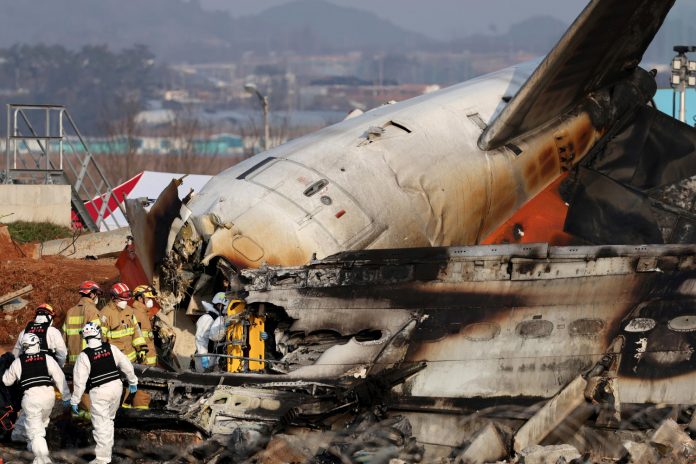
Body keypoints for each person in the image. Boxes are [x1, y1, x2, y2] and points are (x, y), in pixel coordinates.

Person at [71, 322, 138, 464]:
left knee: (101, 425)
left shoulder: (84, 356)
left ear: (85, 338)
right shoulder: (110, 348)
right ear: (98, 334)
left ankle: (102, 459)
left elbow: (79, 382)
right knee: (109, 421)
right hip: (116, 387)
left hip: (100, 391)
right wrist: (133, 382)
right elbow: (126, 365)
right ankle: (108, 452)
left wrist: (75, 401)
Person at [3, 333, 71, 464]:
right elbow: (59, 377)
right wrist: (67, 397)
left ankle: (42, 459)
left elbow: (6, 381)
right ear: (37, 344)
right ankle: (25, 441)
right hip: (48, 398)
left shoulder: (19, 362)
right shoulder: (47, 358)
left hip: (32, 399)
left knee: (36, 432)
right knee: (39, 424)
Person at [99, 283, 148, 364]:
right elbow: (101, 340)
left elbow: (137, 332)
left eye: (126, 300)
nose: (125, 302)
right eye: (122, 300)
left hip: (132, 361)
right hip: (116, 362)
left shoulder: (129, 311)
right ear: (114, 298)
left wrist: (141, 349)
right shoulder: (105, 314)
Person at [63, 281, 102, 366]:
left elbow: (64, 337)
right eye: (96, 294)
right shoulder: (93, 311)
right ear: (92, 294)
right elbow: (99, 336)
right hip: (89, 359)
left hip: (73, 361)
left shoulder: (70, 312)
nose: (97, 297)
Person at [194, 292, 228, 372]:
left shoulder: (220, 319)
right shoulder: (208, 318)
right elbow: (200, 338)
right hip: (206, 357)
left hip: (215, 357)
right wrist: (203, 355)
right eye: (220, 305)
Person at [130, 285, 158, 366]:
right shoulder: (136, 314)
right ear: (140, 298)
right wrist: (143, 362)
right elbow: (136, 340)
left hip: (150, 363)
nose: (151, 301)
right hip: (144, 365)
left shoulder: (144, 313)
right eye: (149, 298)